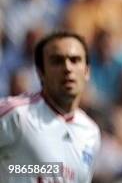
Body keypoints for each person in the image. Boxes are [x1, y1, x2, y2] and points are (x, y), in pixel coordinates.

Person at [0, 31, 101, 182]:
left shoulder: (91, 133)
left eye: (75, 60)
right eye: (57, 61)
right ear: (40, 72)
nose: (67, 68)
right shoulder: (17, 114)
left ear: (86, 71)